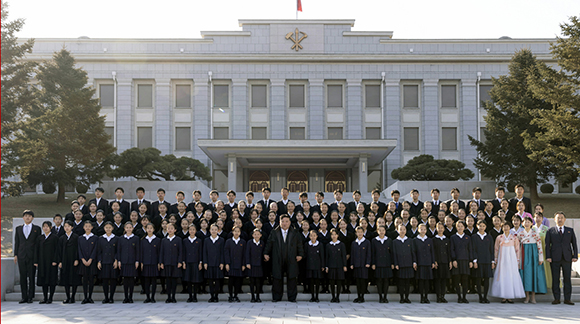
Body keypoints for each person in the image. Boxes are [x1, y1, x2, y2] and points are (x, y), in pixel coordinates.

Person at [264, 214, 305, 302]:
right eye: (283, 221)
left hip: (291, 258)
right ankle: (276, 297)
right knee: (277, 278)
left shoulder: (295, 232)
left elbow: (299, 244)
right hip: (278, 258)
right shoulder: (274, 232)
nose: (285, 223)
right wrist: (266, 253)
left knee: (292, 278)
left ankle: (292, 297)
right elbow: (269, 244)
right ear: (279, 222)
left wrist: (300, 254)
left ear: (290, 222)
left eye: (286, 221)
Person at [545, 211, 578, 305]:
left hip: (567, 258)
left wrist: (575, 256)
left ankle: (567, 299)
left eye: (561, 218)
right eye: (558, 218)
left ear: (565, 219)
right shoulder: (550, 231)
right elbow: (547, 245)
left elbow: (574, 244)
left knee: (567, 278)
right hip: (554, 258)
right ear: (554, 219)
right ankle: (557, 298)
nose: (560, 219)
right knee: (555, 278)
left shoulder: (570, 230)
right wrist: (548, 256)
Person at [490, 221, 525, 303]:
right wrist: (495, 259)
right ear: (502, 228)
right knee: (502, 275)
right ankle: (503, 296)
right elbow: (496, 249)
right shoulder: (499, 237)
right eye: (504, 227)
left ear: (510, 227)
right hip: (502, 259)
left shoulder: (514, 238)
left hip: (511, 259)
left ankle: (510, 296)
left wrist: (517, 260)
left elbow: (517, 249)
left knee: (511, 275)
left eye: (507, 226)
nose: (506, 228)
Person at [14, 210, 41, 304]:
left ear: (32, 218)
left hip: (32, 256)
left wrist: (37, 257)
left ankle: (30, 296)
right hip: (21, 255)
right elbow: (17, 242)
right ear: (23, 218)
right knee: (23, 277)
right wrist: (15, 255)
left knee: (32, 277)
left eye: (29, 216)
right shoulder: (18, 228)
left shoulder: (37, 228)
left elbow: (38, 244)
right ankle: (24, 297)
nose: (27, 217)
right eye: (26, 216)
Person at [518, 215, 547, 303]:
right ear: (522, 224)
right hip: (524, 254)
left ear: (531, 224)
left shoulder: (535, 233)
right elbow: (518, 247)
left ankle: (533, 296)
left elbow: (539, 246)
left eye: (528, 222)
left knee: (534, 274)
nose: (526, 224)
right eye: (525, 222)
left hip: (533, 254)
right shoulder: (520, 234)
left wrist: (540, 258)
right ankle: (527, 296)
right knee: (526, 275)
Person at [34, 221, 59, 304]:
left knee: (52, 280)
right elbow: (36, 250)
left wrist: (56, 260)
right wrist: (36, 261)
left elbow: (57, 250)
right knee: (43, 280)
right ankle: (45, 298)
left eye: (47, 226)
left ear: (51, 227)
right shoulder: (40, 238)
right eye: (44, 226)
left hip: (51, 262)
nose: (45, 228)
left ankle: (50, 298)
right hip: (42, 262)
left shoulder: (55, 237)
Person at [57, 221, 81, 304]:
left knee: (74, 279)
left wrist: (77, 259)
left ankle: (73, 297)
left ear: (72, 227)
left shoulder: (76, 237)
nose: (67, 228)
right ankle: (67, 297)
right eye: (65, 226)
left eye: (68, 226)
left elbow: (78, 249)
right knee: (66, 279)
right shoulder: (62, 238)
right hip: (64, 261)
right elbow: (59, 251)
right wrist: (60, 261)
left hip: (73, 260)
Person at [471, 220, 494, 304]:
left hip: (487, 260)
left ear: (486, 227)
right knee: (478, 279)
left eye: (483, 226)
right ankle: (480, 297)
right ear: (477, 226)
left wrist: (492, 261)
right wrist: (474, 260)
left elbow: (491, 250)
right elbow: (473, 249)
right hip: (478, 261)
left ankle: (485, 297)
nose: (482, 227)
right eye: (480, 226)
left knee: (487, 279)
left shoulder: (489, 237)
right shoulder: (474, 237)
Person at [159, 223, 183, 303]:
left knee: (174, 280)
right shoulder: (164, 240)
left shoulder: (178, 240)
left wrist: (180, 261)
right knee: (168, 280)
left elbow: (180, 252)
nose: (170, 230)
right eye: (168, 228)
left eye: (172, 228)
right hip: (166, 263)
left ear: (175, 230)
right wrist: (161, 262)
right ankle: (168, 296)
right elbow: (161, 252)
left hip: (175, 263)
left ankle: (173, 296)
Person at [450, 220, 473, 304]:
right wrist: (454, 260)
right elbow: (452, 249)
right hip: (457, 261)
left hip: (466, 261)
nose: (460, 228)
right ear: (456, 227)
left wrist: (471, 260)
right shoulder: (453, 237)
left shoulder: (467, 237)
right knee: (457, 279)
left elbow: (470, 249)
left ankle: (464, 297)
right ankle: (459, 297)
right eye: (458, 226)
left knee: (465, 280)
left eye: (461, 226)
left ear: (464, 227)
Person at [117, 222, 140, 303]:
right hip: (124, 262)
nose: (129, 229)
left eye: (130, 227)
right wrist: (119, 261)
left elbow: (138, 251)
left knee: (131, 280)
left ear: (133, 228)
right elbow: (119, 251)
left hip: (132, 262)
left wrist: (137, 261)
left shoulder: (136, 238)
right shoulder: (121, 238)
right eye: (127, 227)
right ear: (125, 228)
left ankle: (130, 297)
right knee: (125, 280)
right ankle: (125, 297)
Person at [97, 221, 119, 304]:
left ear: (112, 228)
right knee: (105, 280)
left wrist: (116, 260)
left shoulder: (116, 238)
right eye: (106, 227)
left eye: (110, 227)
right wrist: (99, 261)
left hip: (113, 262)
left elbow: (118, 251)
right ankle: (106, 297)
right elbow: (99, 251)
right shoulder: (101, 238)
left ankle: (111, 297)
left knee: (113, 280)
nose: (108, 229)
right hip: (104, 262)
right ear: (104, 228)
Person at [371, 225, 393, 303]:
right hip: (378, 263)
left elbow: (391, 253)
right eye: (380, 230)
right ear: (377, 231)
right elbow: (373, 253)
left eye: (383, 230)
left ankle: (385, 297)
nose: (381, 232)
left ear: (385, 231)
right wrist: (373, 263)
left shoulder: (389, 240)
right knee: (379, 280)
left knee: (386, 280)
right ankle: (380, 296)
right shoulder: (374, 240)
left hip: (387, 263)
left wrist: (392, 263)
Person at [203, 224, 225, 303]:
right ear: (210, 230)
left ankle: (216, 296)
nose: (214, 231)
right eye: (212, 229)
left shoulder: (221, 240)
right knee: (210, 281)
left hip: (218, 263)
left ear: (218, 231)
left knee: (217, 280)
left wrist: (222, 262)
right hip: (209, 263)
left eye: (215, 229)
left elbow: (223, 252)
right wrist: (205, 262)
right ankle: (212, 296)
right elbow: (204, 252)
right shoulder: (206, 240)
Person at [393, 224, 414, 303]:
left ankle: (407, 297)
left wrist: (414, 262)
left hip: (408, 264)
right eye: (400, 229)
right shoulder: (395, 241)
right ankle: (401, 297)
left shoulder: (409, 240)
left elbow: (413, 252)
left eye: (404, 229)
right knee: (401, 282)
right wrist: (396, 264)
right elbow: (394, 254)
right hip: (400, 265)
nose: (402, 231)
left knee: (407, 283)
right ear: (397, 230)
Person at [414, 224, 435, 304]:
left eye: (424, 229)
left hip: (428, 263)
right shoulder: (415, 240)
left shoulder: (429, 240)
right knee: (421, 281)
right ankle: (422, 297)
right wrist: (415, 262)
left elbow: (432, 252)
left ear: (426, 230)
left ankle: (426, 297)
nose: (423, 231)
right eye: (421, 229)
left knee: (427, 281)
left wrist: (433, 262)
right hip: (420, 263)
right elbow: (414, 252)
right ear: (418, 230)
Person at [78, 220, 98, 304]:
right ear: (83, 227)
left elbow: (95, 250)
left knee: (91, 279)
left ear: (92, 227)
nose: (87, 228)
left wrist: (90, 259)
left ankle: (90, 297)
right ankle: (85, 297)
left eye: (89, 226)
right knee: (85, 280)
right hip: (83, 262)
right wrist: (82, 259)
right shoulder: (80, 238)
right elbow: (79, 250)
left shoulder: (95, 237)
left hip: (91, 262)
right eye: (86, 226)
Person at [182, 224, 203, 303]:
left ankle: (195, 296)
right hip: (187, 262)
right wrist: (183, 262)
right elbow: (183, 252)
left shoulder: (199, 240)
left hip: (196, 262)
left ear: (196, 231)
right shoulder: (185, 240)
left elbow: (200, 252)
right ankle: (190, 296)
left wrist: (200, 262)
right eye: (190, 229)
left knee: (195, 280)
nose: (192, 231)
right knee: (189, 280)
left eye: (193, 230)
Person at [224, 226, 246, 303]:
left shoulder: (243, 242)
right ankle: (230, 296)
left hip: (239, 264)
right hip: (231, 264)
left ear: (240, 233)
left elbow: (244, 254)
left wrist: (243, 264)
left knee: (238, 281)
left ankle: (236, 295)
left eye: (238, 231)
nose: (236, 233)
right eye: (235, 231)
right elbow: (226, 253)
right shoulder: (228, 241)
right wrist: (227, 263)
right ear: (232, 232)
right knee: (231, 281)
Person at [140, 223, 161, 303]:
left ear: (154, 229)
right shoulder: (143, 240)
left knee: (154, 281)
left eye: (151, 228)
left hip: (154, 263)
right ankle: (147, 297)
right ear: (145, 229)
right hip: (146, 263)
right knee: (146, 281)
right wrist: (141, 262)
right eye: (148, 228)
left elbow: (159, 252)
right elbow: (141, 252)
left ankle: (153, 297)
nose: (149, 229)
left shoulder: (157, 240)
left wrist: (159, 262)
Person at [325, 228, 347, 303]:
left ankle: (337, 297)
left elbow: (343, 256)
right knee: (331, 282)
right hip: (331, 266)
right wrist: (326, 266)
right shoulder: (328, 245)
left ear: (338, 235)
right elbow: (327, 257)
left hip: (339, 266)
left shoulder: (341, 244)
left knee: (338, 282)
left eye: (335, 234)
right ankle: (333, 296)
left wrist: (344, 265)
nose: (334, 236)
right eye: (332, 234)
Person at [350, 226, 371, 303]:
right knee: (358, 281)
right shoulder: (354, 243)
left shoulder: (367, 242)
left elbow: (369, 253)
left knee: (363, 281)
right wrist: (352, 263)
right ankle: (358, 296)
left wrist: (368, 262)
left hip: (364, 265)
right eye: (358, 232)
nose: (360, 233)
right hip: (356, 265)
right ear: (356, 233)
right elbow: (352, 254)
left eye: (361, 232)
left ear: (363, 232)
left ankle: (362, 297)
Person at [433, 222, 452, 303]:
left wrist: (450, 261)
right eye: (438, 228)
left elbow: (449, 252)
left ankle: (443, 296)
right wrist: (435, 261)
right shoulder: (434, 239)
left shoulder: (447, 239)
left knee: (444, 280)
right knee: (438, 280)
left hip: (445, 262)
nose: (440, 229)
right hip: (438, 262)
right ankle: (438, 296)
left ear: (444, 229)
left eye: (441, 228)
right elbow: (433, 251)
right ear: (436, 229)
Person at [304, 230, 324, 303]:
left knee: (317, 281)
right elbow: (305, 255)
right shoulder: (306, 244)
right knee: (311, 281)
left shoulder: (320, 245)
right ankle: (312, 296)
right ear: (309, 236)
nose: (313, 237)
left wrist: (322, 265)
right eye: (311, 235)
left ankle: (317, 296)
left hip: (317, 266)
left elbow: (322, 256)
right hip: (309, 266)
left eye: (314, 235)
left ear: (317, 236)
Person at [533, 212, 552, 290]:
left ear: (542, 219)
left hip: (544, 251)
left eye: (539, 217)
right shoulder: (531, 229)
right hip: (534, 251)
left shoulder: (546, 229)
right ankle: (537, 286)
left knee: (545, 268)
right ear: (534, 219)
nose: (538, 219)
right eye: (536, 217)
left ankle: (546, 285)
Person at [246, 229, 265, 303]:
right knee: (252, 281)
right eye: (255, 234)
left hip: (259, 265)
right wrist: (247, 263)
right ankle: (252, 296)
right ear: (252, 235)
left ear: (261, 235)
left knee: (258, 281)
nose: (256, 236)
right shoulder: (249, 243)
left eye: (258, 234)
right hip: (251, 264)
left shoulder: (262, 243)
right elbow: (247, 253)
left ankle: (258, 296)